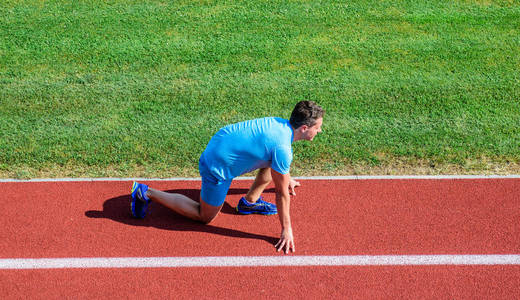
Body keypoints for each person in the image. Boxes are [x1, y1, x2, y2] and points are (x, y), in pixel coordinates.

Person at [131, 100, 324, 254]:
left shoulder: (280, 125)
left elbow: (274, 159)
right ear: (305, 128)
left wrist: (285, 176)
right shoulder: (283, 148)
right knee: (204, 216)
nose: (320, 131)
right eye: (318, 127)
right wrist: (286, 229)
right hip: (217, 165)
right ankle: (146, 193)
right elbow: (282, 194)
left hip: (222, 142)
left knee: (272, 163)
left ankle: (249, 202)